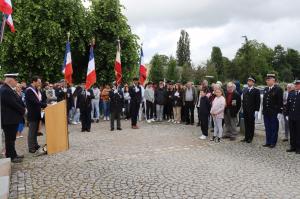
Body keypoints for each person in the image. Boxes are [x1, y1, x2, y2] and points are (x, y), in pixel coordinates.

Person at [0, 73, 26, 163]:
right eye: (15, 80)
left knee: (11, 139)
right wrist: (23, 110)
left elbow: (17, 100)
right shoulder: (5, 90)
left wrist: (22, 108)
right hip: (8, 119)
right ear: (10, 80)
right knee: (10, 139)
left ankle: (13, 154)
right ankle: (11, 156)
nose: (16, 82)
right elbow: (13, 104)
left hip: (11, 119)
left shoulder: (8, 89)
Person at [25, 76, 47, 154]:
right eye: (38, 82)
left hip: (37, 113)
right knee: (32, 131)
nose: (40, 83)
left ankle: (35, 144)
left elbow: (40, 100)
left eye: (40, 82)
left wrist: (45, 104)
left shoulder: (36, 90)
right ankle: (31, 147)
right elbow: (35, 102)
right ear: (33, 82)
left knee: (35, 131)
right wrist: (46, 105)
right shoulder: (29, 90)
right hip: (32, 113)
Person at [262, 74, 283, 148]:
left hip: (274, 112)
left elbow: (280, 102)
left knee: (274, 128)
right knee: (267, 127)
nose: (267, 81)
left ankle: (273, 142)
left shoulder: (278, 89)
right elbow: (264, 102)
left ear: (273, 80)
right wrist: (263, 111)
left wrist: (279, 112)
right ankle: (268, 141)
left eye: (268, 80)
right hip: (266, 112)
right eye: (266, 80)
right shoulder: (266, 89)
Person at [241, 76, 261, 143]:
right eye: (248, 81)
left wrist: (256, 111)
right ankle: (246, 137)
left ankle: (250, 137)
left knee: (251, 124)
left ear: (253, 82)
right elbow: (243, 100)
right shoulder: (245, 90)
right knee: (246, 124)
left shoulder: (256, 91)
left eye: (250, 81)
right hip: (246, 110)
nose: (248, 82)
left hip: (252, 110)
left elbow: (258, 101)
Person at [286, 79, 300, 154]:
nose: (296, 85)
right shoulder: (291, 93)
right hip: (291, 116)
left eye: (298, 84)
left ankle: (298, 148)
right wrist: (287, 114)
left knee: (298, 132)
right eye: (295, 84)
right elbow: (288, 105)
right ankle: (292, 146)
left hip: (299, 117)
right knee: (292, 132)